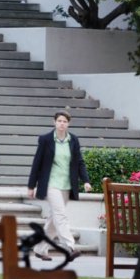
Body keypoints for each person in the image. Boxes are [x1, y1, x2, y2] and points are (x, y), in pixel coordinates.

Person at [27, 111, 92, 261]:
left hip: (66, 185)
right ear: (54, 122)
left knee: (53, 218)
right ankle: (70, 246)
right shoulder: (45, 140)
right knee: (60, 215)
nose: (62, 124)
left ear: (68, 123)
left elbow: (79, 162)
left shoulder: (73, 140)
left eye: (65, 121)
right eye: (59, 121)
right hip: (51, 184)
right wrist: (31, 186)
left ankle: (39, 248)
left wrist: (86, 181)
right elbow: (37, 163)